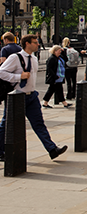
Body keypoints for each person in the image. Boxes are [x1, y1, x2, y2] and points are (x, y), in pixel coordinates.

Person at [0, 34, 67, 162]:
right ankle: (0, 151)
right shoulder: (15, 58)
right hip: (17, 97)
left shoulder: (34, 59)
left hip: (32, 96)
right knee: (6, 125)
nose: (38, 44)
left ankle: (52, 149)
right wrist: (18, 77)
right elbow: (1, 72)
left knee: (39, 124)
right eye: (35, 42)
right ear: (27, 44)